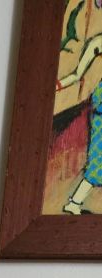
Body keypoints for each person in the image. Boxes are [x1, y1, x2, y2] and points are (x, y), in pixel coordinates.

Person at [57, 34, 102, 213]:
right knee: (98, 160)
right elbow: (77, 74)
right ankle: (74, 203)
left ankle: (74, 203)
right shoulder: (98, 43)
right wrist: (58, 85)